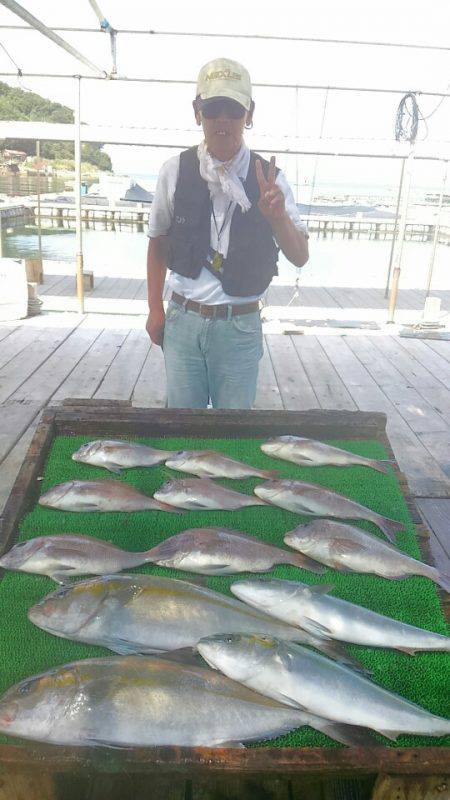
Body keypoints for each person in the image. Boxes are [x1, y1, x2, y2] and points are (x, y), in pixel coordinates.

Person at [146, 57, 309, 409]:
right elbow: (157, 243)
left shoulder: (272, 179)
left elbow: (300, 256)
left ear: (249, 114)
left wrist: (278, 217)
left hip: (240, 327)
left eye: (233, 110)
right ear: (197, 112)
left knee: (234, 433)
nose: (222, 121)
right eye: (213, 108)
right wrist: (154, 310)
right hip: (182, 321)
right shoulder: (173, 171)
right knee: (181, 434)